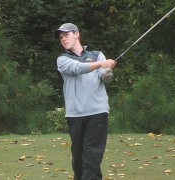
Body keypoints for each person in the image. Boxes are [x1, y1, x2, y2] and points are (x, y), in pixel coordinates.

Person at [54, 23, 117, 180]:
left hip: (97, 112)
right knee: (78, 159)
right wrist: (102, 64)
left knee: (92, 156)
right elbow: (78, 68)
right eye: (61, 37)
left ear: (76, 34)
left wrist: (107, 70)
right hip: (75, 114)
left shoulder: (97, 54)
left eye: (66, 35)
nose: (63, 39)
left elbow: (105, 77)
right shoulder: (62, 60)